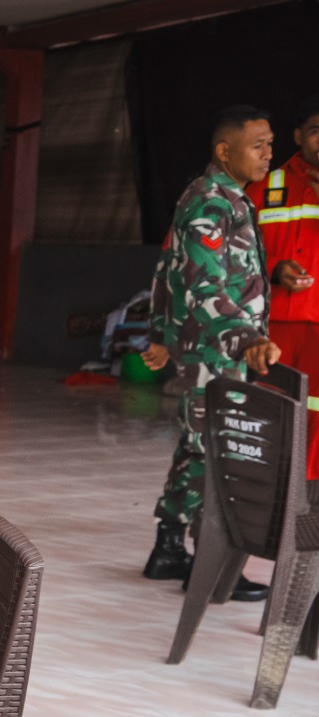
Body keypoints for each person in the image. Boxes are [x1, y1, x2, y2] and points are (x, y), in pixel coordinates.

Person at [141, 106, 283, 599]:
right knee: (219, 451)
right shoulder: (210, 202)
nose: (268, 153)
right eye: (257, 145)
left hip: (216, 349)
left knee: (198, 446)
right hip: (216, 351)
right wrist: (248, 339)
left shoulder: (225, 198)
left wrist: (159, 333)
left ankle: (167, 550)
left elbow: (167, 267)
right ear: (225, 151)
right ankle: (212, 563)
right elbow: (200, 285)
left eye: (270, 143)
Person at [249, 94, 319, 477]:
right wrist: (274, 268)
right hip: (270, 326)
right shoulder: (266, 185)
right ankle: (270, 497)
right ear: (298, 135)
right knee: (269, 413)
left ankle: (308, 502)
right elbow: (237, 250)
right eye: (316, 130)